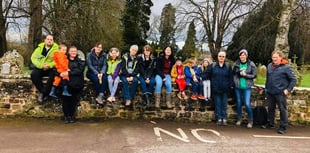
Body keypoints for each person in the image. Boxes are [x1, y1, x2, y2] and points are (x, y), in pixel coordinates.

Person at [262, 50, 296, 134]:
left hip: (281, 92)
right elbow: (268, 78)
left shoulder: (286, 67)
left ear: (280, 58)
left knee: (282, 109)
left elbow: (293, 79)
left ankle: (283, 126)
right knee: (270, 108)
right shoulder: (269, 66)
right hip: (270, 92)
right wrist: (266, 89)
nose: (274, 59)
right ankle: (270, 123)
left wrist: (288, 89)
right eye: (273, 57)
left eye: (276, 57)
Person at [60, 46, 85, 123]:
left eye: (75, 51)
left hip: (76, 84)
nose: (73, 52)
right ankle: (66, 116)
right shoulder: (64, 60)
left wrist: (69, 72)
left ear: (77, 52)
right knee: (65, 100)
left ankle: (71, 116)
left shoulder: (80, 61)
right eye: (72, 51)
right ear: (69, 52)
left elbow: (80, 70)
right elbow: (59, 68)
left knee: (73, 100)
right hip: (65, 83)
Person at [30, 35, 59, 103]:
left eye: (51, 39)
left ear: (53, 41)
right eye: (48, 39)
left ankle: (43, 94)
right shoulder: (39, 48)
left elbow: (57, 60)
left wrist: (49, 65)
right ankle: (43, 92)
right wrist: (41, 65)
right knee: (34, 74)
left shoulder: (56, 49)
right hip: (41, 67)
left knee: (54, 75)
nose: (49, 41)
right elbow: (33, 58)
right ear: (45, 40)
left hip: (51, 68)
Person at [233, 49, 257, 128]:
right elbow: (234, 74)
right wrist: (237, 75)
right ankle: (239, 119)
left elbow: (254, 75)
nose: (242, 56)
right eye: (241, 55)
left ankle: (250, 120)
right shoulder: (236, 63)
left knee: (247, 103)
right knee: (239, 103)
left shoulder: (251, 64)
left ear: (246, 56)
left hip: (247, 86)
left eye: (244, 55)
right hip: (238, 86)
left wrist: (245, 75)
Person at [207, 51, 233, 126]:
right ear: (218, 57)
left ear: (225, 58)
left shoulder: (228, 66)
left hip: (225, 88)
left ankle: (224, 118)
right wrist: (198, 77)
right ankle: (218, 118)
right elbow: (207, 73)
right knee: (217, 104)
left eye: (223, 56)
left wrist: (230, 85)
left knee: (224, 105)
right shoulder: (213, 65)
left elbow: (231, 77)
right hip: (216, 88)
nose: (221, 58)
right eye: (220, 56)